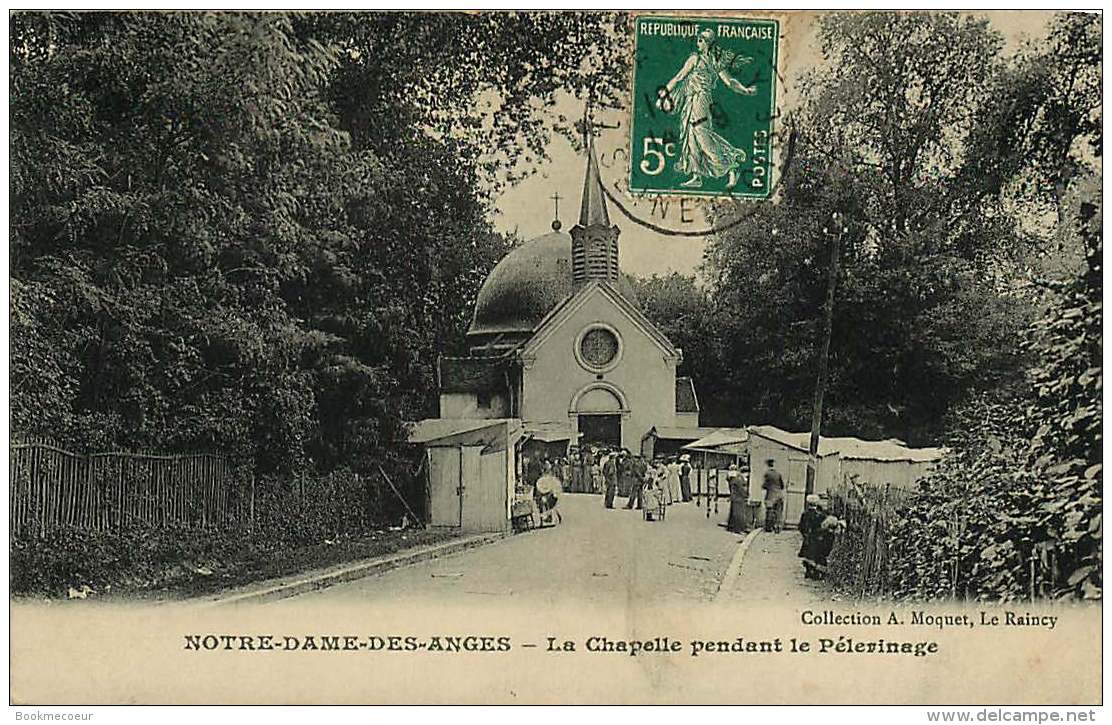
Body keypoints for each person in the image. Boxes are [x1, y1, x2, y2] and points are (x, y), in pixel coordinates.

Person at [661, 28, 757, 190]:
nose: (698, 42)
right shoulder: (694, 59)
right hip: (690, 101)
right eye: (698, 39)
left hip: (701, 101)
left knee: (703, 138)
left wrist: (745, 90)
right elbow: (679, 78)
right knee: (691, 136)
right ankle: (696, 176)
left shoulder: (712, 62)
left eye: (702, 39)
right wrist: (665, 94)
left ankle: (731, 166)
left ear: (708, 43)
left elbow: (730, 82)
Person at [798, 494, 825, 561]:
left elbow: (801, 526)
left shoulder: (805, 514)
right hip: (815, 538)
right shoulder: (820, 515)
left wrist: (804, 533)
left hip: (807, 537)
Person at [762, 458, 785, 533]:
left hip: (771, 495)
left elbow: (765, 485)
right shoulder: (778, 474)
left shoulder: (767, 474)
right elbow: (782, 486)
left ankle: (769, 527)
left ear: (767, 465)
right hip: (779, 495)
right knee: (778, 512)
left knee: (770, 511)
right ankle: (777, 527)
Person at [725, 464, 746, 533]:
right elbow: (741, 488)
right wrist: (745, 495)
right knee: (738, 514)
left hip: (734, 497)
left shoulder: (731, 479)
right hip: (738, 498)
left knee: (733, 513)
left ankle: (731, 527)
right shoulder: (738, 479)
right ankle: (737, 528)